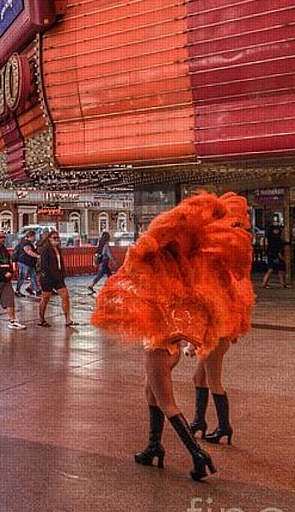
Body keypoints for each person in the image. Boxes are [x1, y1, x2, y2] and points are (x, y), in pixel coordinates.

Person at [92, 192, 255, 481]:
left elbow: (135, 279)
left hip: (159, 347)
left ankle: (198, 455)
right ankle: (154, 446)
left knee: (167, 402)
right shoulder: (172, 280)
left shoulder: (158, 279)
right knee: (151, 394)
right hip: (171, 348)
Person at [37, 231, 77, 327]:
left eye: (58, 238)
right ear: (49, 238)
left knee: (65, 296)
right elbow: (44, 265)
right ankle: (41, 319)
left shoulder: (58, 249)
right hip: (48, 278)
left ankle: (68, 319)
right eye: (54, 238)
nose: (57, 240)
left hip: (58, 277)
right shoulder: (45, 249)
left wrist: (62, 273)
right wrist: (46, 276)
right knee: (45, 298)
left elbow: (60, 263)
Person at [13, 229, 40, 297]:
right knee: (22, 277)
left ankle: (37, 290)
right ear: (30, 236)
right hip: (25, 263)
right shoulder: (26, 243)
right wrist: (37, 256)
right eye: (34, 236)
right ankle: (17, 290)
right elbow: (28, 251)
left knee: (33, 276)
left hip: (29, 263)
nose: (35, 238)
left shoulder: (24, 242)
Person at [261, 224, 289, 289]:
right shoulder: (272, 238)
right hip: (273, 255)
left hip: (274, 255)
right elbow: (274, 247)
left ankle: (282, 284)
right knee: (271, 269)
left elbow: (282, 242)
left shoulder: (275, 238)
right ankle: (264, 284)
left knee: (280, 270)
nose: (277, 231)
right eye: (275, 230)